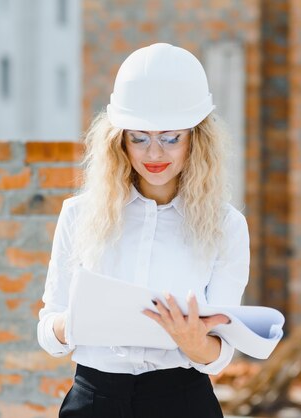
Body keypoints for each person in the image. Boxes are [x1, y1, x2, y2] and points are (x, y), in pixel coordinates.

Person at [37, 42, 250, 418]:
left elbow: (219, 358)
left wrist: (193, 341)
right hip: (94, 400)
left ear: (196, 139)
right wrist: (73, 324)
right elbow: (47, 333)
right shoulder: (78, 214)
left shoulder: (226, 226)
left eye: (170, 138)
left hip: (182, 401)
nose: (154, 154)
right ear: (119, 139)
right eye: (139, 137)